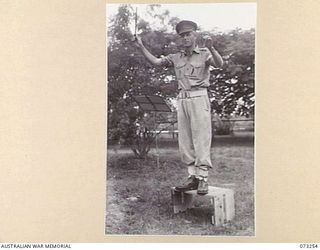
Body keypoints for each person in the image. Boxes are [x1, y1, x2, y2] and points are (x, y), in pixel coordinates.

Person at [134, 20, 223, 195]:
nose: (186, 38)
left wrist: (212, 48)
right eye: (182, 35)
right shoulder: (176, 57)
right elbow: (157, 62)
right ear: (180, 39)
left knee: (201, 138)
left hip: (199, 97)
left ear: (195, 35)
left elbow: (219, 64)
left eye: (189, 34)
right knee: (185, 140)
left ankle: (203, 178)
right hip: (182, 99)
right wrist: (141, 47)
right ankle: (192, 177)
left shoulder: (205, 53)